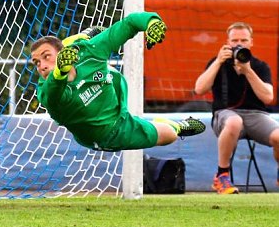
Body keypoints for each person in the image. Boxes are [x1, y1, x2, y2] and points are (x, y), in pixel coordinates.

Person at [29, 12, 205, 153]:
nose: (42, 66)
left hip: (114, 88)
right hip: (110, 133)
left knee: (100, 62)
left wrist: (152, 22)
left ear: (61, 52)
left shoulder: (88, 52)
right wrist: (60, 70)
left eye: (46, 57)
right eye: (37, 63)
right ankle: (177, 126)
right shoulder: (45, 90)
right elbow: (54, 93)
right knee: (169, 135)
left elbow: (129, 23)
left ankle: (81, 38)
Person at [193, 21, 279, 194]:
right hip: (225, 115)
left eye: (244, 40)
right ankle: (222, 176)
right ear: (227, 42)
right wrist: (218, 62)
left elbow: (268, 97)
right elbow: (199, 89)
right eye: (235, 40)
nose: (239, 44)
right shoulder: (218, 62)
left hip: (256, 115)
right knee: (234, 121)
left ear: (251, 42)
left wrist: (248, 71)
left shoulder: (260, 66)